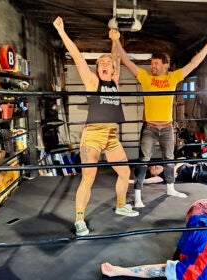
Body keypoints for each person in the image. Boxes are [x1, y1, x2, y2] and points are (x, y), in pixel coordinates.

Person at [53, 16, 138, 237]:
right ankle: (79, 219)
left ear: (112, 70)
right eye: (100, 63)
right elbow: (77, 57)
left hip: (111, 136)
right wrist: (62, 31)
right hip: (92, 135)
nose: (104, 65)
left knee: (125, 171)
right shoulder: (92, 82)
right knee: (88, 178)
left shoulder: (116, 82)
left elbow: (116, 58)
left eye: (107, 63)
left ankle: (121, 205)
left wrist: (114, 39)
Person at [112, 31, 207, 208]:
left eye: (155, 64)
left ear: (165, 66)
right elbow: (126, 61)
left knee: (169, 158)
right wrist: (116, 41)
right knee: (143, 160)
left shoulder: (172, 78)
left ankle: (170, 187)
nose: (152, 66)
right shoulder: (145, 77)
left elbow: (194, 63)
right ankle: (138, 196)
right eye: (151, 63)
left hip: (167, 128)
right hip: (150, 127)